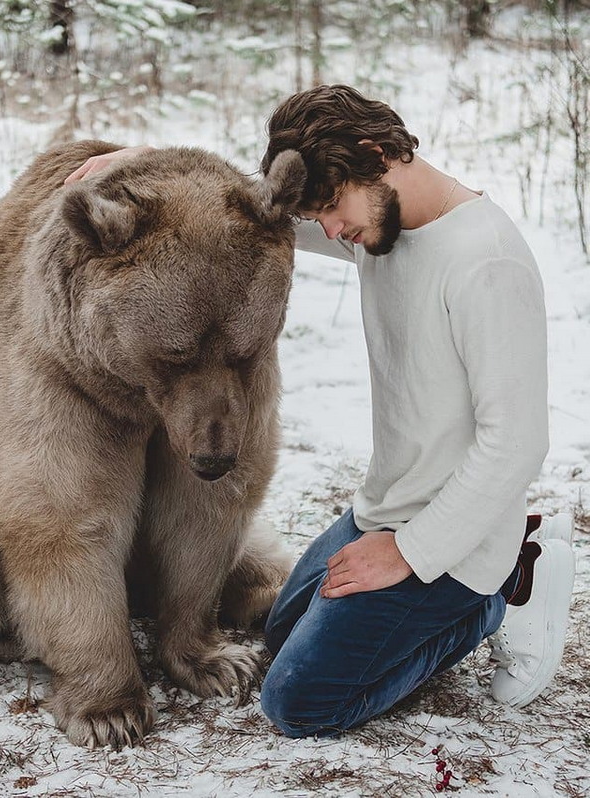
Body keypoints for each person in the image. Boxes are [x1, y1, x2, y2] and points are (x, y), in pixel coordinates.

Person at [64, 84, 576, 736]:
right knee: (279, 628)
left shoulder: (487, 264)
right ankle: (468, 581)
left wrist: (408, 554)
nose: (330, 230)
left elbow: (519, 441)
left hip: (456, 545)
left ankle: (502, 597)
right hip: (387, 507)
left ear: (376, 152)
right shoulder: (382, 225)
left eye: (333, 206)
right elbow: (272, 210)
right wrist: (157, 161)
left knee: (299, 701)